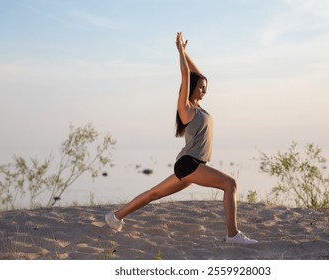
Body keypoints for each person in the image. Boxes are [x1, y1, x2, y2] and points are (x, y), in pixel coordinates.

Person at [105, 32, 258, 245]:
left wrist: (186, 52)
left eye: (206, 88)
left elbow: (197, 74)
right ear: (192, 88)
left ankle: (115, 217)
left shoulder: (199, 109)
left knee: (153, 194)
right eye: (201, 87)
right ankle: (233, 235)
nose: (204, 90)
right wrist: (180, 53)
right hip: (190, 164)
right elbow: (187, 75)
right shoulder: (186, 108)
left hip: (190, 165)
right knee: (230, 184)